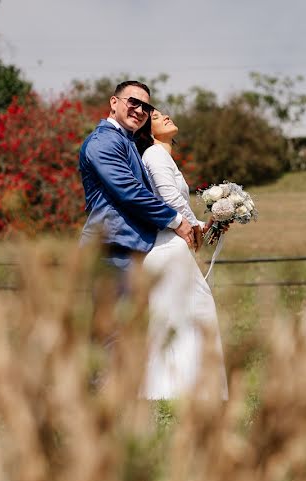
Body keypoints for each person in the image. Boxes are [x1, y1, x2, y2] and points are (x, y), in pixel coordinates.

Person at [134, 108, 228, 401]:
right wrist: (195, 228)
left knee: (185, 313)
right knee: (195, 310)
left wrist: (210, 224)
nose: (165, 117)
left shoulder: (164, 157)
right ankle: (182, 387)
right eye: (157, 117)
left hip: (174, 244)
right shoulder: (153, 154)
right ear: (148, 130)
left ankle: (186, 386)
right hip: (167, 246)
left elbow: (175, 205)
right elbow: (170, 199)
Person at [78, 80, 195, 278]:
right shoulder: (104, 140)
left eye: (146, 107)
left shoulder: (125, 140)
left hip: (131, 248)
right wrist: (177, 221)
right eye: (133, 102)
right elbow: (129, 191)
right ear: (114, 103)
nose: (140, 110)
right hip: (111, 249)